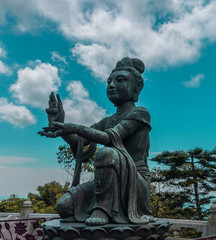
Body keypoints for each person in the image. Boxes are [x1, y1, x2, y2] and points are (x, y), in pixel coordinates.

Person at [39, 57, 154, 226]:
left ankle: (102, 208)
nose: (112, 85)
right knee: (64, 206)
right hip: (107, 181)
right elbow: (79, 140)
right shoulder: (107, 121)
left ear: (137, 87)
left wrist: (76, 127)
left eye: (120, 80)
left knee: (107, 153)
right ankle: (99, 207)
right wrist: (59, 123)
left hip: (135, 182)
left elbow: (110, 137)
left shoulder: (140, 113)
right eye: (109, 82)